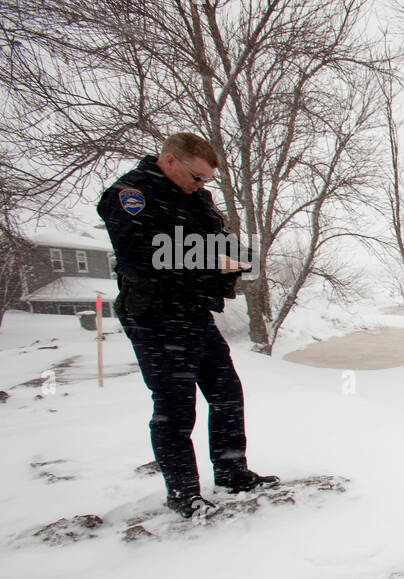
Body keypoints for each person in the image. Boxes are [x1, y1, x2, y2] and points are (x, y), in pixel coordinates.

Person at [97, 132, 277, 518]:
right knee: (176, 407)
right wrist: (211, 260)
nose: (201, 185)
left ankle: (232, 473)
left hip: (194, 313)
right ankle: (183, 492)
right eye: (196, 177)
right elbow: (147, 258)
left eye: (206, 180)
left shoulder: (198, 200)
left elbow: (226, 249)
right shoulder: (130, 196)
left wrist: (228, 258)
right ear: (170, 160)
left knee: (227, 392)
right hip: (155, 316)